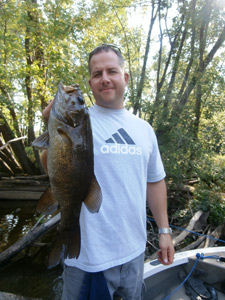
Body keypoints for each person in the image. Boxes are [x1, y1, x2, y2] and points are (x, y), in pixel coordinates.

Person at [42, 44, 174, 300]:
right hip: (90, 257)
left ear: (125, 77)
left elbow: (155, 182)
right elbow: (52, 167)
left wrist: (164, 232)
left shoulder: (144, 129)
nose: (104, 78)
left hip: (135, 252)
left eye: (111, 71)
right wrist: (50, 128)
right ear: (90, 83)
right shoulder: (79, 121)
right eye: (96, 73)